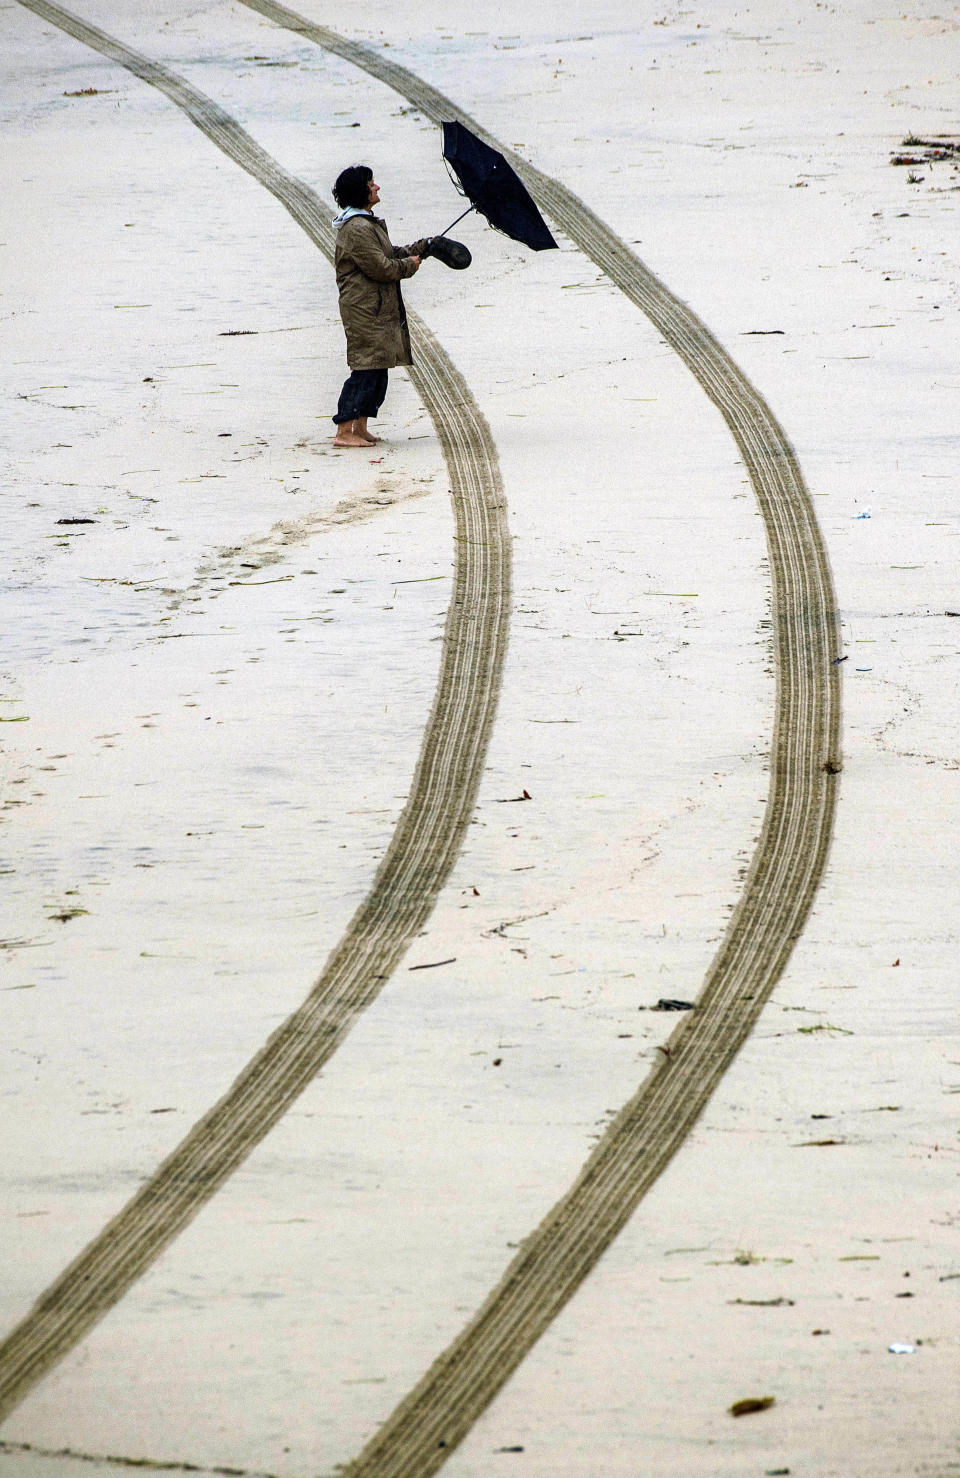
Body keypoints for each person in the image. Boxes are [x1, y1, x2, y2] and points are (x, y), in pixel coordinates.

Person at [330, 165, 430, 448]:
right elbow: (381, 268)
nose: (377, 187)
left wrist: (423, 248)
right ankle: (344, 431)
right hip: (364, 309)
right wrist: (408, 266)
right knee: (365, 369)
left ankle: (359, 427)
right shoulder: (357, 228)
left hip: (375, 307)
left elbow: (388, 254)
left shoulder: (366, 222)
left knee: (378, 368)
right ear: (360, 190)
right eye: (371, 183)